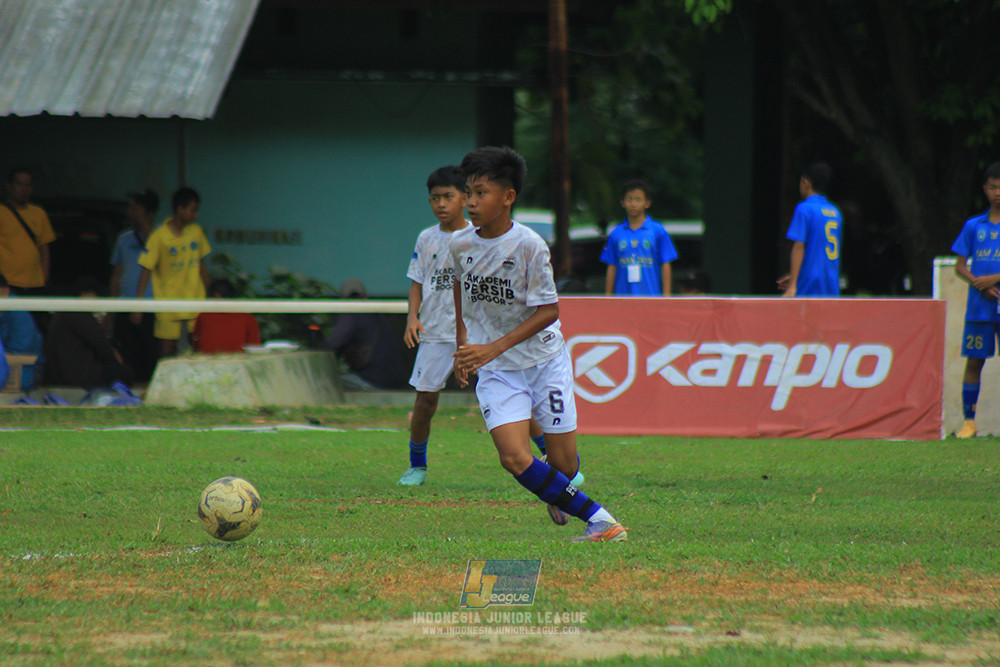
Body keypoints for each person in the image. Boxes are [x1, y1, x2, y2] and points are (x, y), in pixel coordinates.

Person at [451, 146, 626, 542]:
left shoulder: (529, 246)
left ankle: (558, 487)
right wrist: (463, 345)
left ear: (508, 197)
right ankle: (600, 519)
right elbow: (462, 288)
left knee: (564, 467)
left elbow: (548, 311)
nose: (471, 202)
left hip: (544, 360)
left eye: (481, 193)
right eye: (468, 192)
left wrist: (491, 347)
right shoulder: (460, 245)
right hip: (497, 369)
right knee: (513, 457)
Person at [397, 167, 561, 487]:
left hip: (484, 335)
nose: (441, 204)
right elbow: (417, 282)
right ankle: (417, 465)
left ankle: (551, 456)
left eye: (449, 196)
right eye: (434, 198)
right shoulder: (428, 238)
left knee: (513, 400)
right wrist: (412, 318)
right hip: (436, 332)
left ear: (463, 199)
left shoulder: (486, 238)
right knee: (425, 401)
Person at [950, 161, 1000, 439]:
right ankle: (969, 422)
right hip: (979, 307)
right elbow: (959, 265)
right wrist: (976, 281)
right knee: (974, 362)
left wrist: (993, 278)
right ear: (985, 189)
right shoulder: (973, 226)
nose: (997, 193)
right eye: (992, 187)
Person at [134, 186, 211, 358]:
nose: (195, 215)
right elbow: (145, 270)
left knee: (197, 347)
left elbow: (202, 264)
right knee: (166, 351)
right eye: (193, 210)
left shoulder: (196, 232)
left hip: (195, 301)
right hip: (168, 303)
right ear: (180, 209)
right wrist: (137, 306)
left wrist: (211, 292)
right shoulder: (159, 236)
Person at [42, 277, 133, 390]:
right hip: (75, 375)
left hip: (62, 372)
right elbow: (101, 346)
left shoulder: (65, 312)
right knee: (124, 372)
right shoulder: (79, 314)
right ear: (85, 295)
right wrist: (115, 359)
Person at [109, 189, 160, 381]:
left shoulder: (162, 237)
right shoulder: (124, 238)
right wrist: (110, 309)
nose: (131, 211)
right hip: (125, 305)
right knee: (127, 354)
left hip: (153, 307)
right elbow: (116, 274)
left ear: (150, 213)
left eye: (136, 208)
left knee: (151, 354)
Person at [324, 279, 407, 390]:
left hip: (373, 381)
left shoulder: (351, 314)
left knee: (325, 381)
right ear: (366, 296)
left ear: (343, 300)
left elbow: (331, 345)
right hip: (395, 381)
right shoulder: (378, 315)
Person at [600, 179, 677, 296]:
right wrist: (608, 297)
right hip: (622, 298)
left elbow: (665, 264)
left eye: (638, 200)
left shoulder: (657, 231)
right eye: (629, 199)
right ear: (622, 202)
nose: (633, 204)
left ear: (647, 203)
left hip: (651, 296)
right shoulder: (616, 233)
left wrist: (666, 297)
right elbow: (611, 266)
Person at [778, 162, 843, 297]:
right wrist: (798, 274)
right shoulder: (835, 212)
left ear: (805, 182)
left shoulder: (804, 209)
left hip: (810, 285)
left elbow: (799, 247)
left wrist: (793, 285)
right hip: (830, 283)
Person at [0, 168, 56, 296]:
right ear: (9, 186)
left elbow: (44, 248)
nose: (24, 189)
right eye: (19, 184)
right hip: (7, 283)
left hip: (35, 284)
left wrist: (45, 279)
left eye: (28, 185)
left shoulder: (39, 213)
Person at [192, 278, 261, 353]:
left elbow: (196, 344)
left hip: (208, 362)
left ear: (216, 296)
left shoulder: (204, 315)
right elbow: (255, 348)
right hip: (238, 362)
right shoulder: (246, 317)